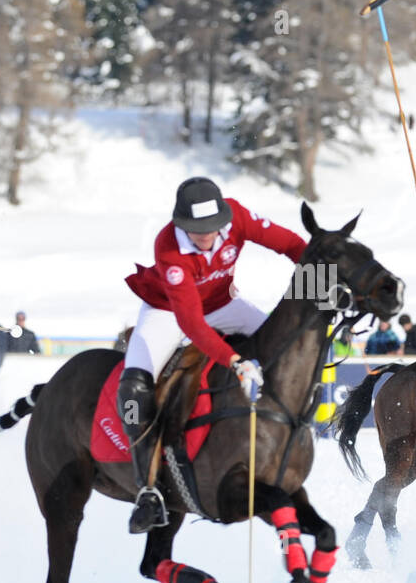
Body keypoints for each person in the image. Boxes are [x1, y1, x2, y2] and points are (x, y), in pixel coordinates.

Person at [120, 176, 307, 533]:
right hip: (169, 313)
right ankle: (148, 490)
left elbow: (294, 245)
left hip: (223, 304)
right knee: (134, 388)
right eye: (196, 230)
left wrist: (319, 285)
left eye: (211, 228)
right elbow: (190, 322)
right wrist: (235, 362)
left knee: (284, 346)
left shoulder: (236, 216)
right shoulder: (169, 248)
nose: (205, 236)